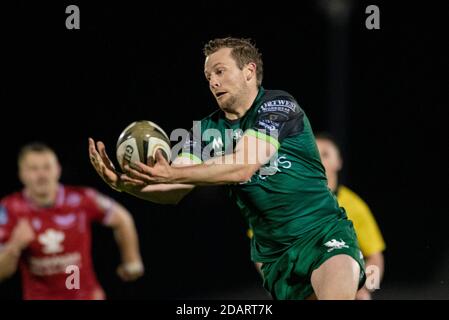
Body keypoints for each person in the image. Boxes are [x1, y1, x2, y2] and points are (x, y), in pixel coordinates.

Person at [88, 37, 366, 299]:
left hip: (324, 233)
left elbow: (243, 166)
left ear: (249, 70)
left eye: (220, 71)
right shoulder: (206, 131)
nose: (213, 82)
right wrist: (126, 185)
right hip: (275, 255)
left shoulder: (278, 106)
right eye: (208, 76)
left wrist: (171, 172)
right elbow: (173, 191)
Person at [0, 143, 144, 299]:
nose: (41, 175)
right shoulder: (9, 209)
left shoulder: (82, 199)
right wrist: (14, 245)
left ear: (58, 170)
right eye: (33, 169)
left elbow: (122, 218)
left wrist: (132, 261)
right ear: (21, 174)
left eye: (47, 167)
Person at [315, 132, 386, 300]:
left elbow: (375, 257)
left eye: (325, 154)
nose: (318, 159)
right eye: (313, 153)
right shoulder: (290, 201)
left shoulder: (354, 206)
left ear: (338, 162)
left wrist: (365, 288)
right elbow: (261, 246)